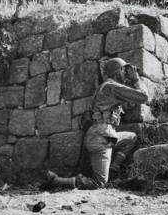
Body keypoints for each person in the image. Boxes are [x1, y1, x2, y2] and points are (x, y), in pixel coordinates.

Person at [44, 57, 148, 190]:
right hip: (100, 138)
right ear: (118, 71)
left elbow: (128, 104)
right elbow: (143, 97)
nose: (126, 74)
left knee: (131, 138)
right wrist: (136, 80)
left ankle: (113, 169)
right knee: (99, 183)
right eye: (124, 70)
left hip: (107, 135)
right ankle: (58, 181)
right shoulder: (111, 86)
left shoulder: (108, 87)